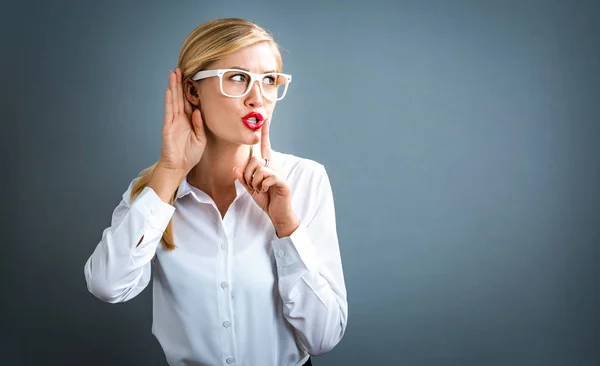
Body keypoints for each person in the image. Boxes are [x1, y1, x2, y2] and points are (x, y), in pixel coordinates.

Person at [84, 18, 348, 366]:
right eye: (238, 78)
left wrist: (286, 226)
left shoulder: (304, 180)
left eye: (269, 80)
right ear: (192, 91)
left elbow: (324, 337)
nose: (258, 98)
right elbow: (108, 286)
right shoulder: (155, 192)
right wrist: (170, 171)